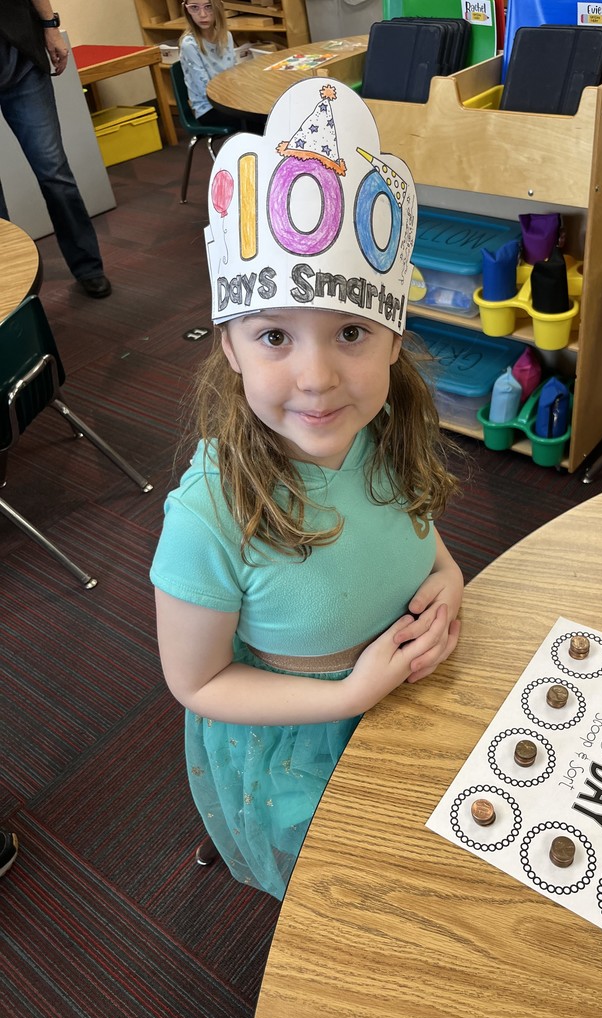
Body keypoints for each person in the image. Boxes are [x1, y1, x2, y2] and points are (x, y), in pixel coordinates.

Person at [151, 80, 464, 900]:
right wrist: (352, 693)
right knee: (345, 894)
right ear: (232, 345)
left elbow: (412, 526)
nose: (318, 379)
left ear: (392, 337)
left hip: (410, 691)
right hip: (300, 740)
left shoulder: (386, 432)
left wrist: (448, 574)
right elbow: (197, 682)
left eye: (351, 333)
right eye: (276, 336)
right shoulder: (207, 518)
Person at [0, 0, 111, 299]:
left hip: (19, 56)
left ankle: (88, 267)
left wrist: (51, 27)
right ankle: (10, 290)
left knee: (54, 172)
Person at [179, 0, 263, 132]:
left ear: (218, 7)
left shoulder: (225, 36)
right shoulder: (189, 45)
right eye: (194, 8)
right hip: (208, 108)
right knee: (255, 118)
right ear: (186, 10)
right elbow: (204, 89)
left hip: (230, 100)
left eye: (209, 7)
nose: (202, 14)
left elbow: (232, 73)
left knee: (263, 108)